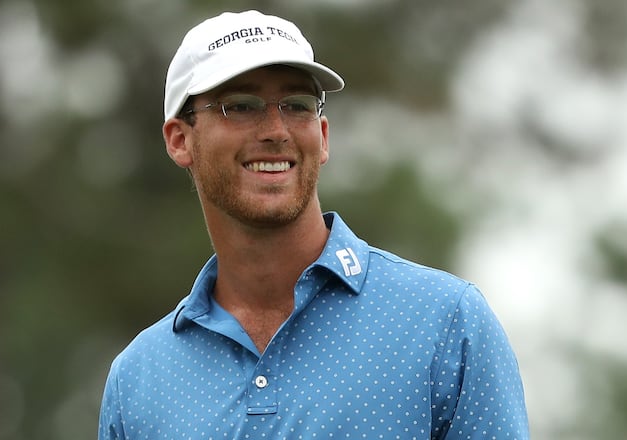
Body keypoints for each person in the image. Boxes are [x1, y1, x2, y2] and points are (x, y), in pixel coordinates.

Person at [98, 10, 529, 439]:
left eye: (297, 106)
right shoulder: (137, 380)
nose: (276, 130)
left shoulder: (447, 324)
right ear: (179, 139)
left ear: (322, 135)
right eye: (242, 106)